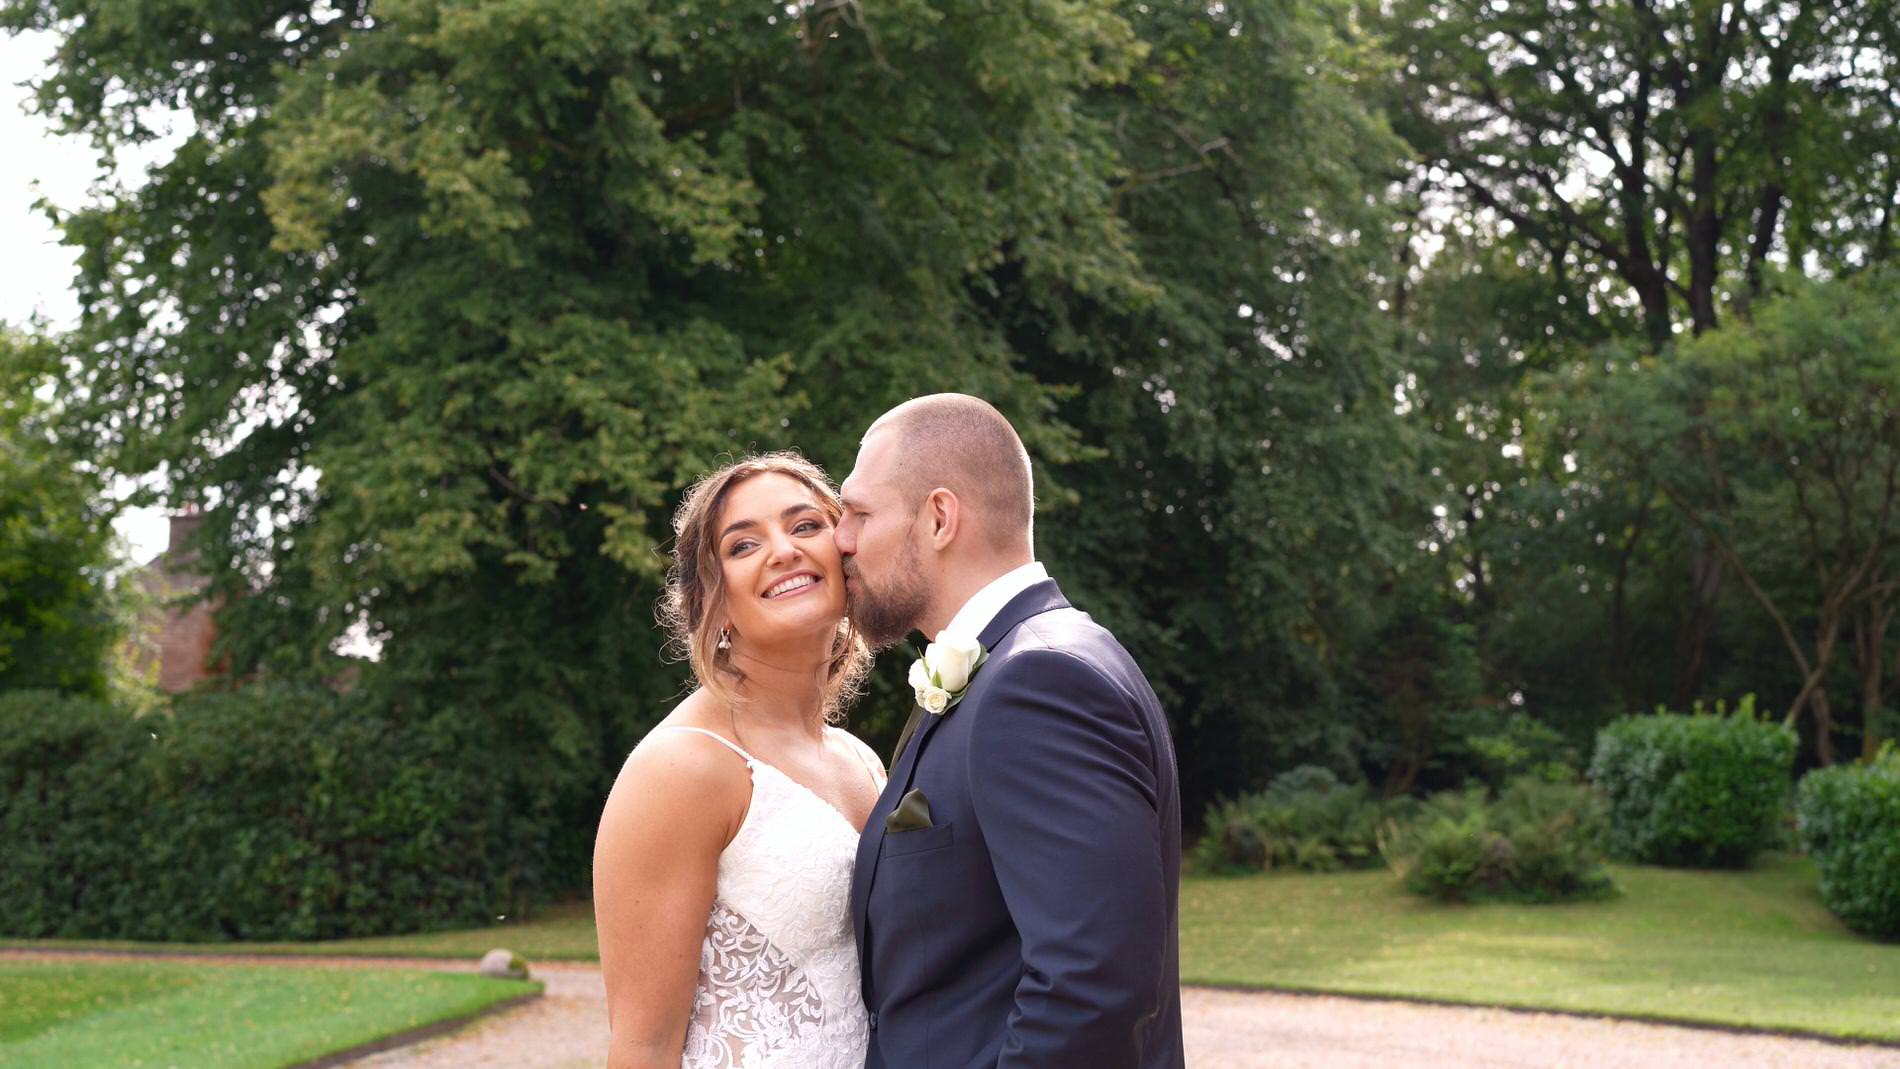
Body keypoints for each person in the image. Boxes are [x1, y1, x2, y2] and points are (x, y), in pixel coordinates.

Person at [838, 394, 1185, 1069]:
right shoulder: (1013, 668)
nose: (840, 538)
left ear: (939, 517)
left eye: (858, 512)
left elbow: (1091, 991)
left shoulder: (1041, 682)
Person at [594, 452, 886, 1069]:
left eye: (806, 526)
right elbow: (642, 1047)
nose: (783, 550)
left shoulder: (861, 761)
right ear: (713, 604)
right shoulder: (682, 768)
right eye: (743, 545)